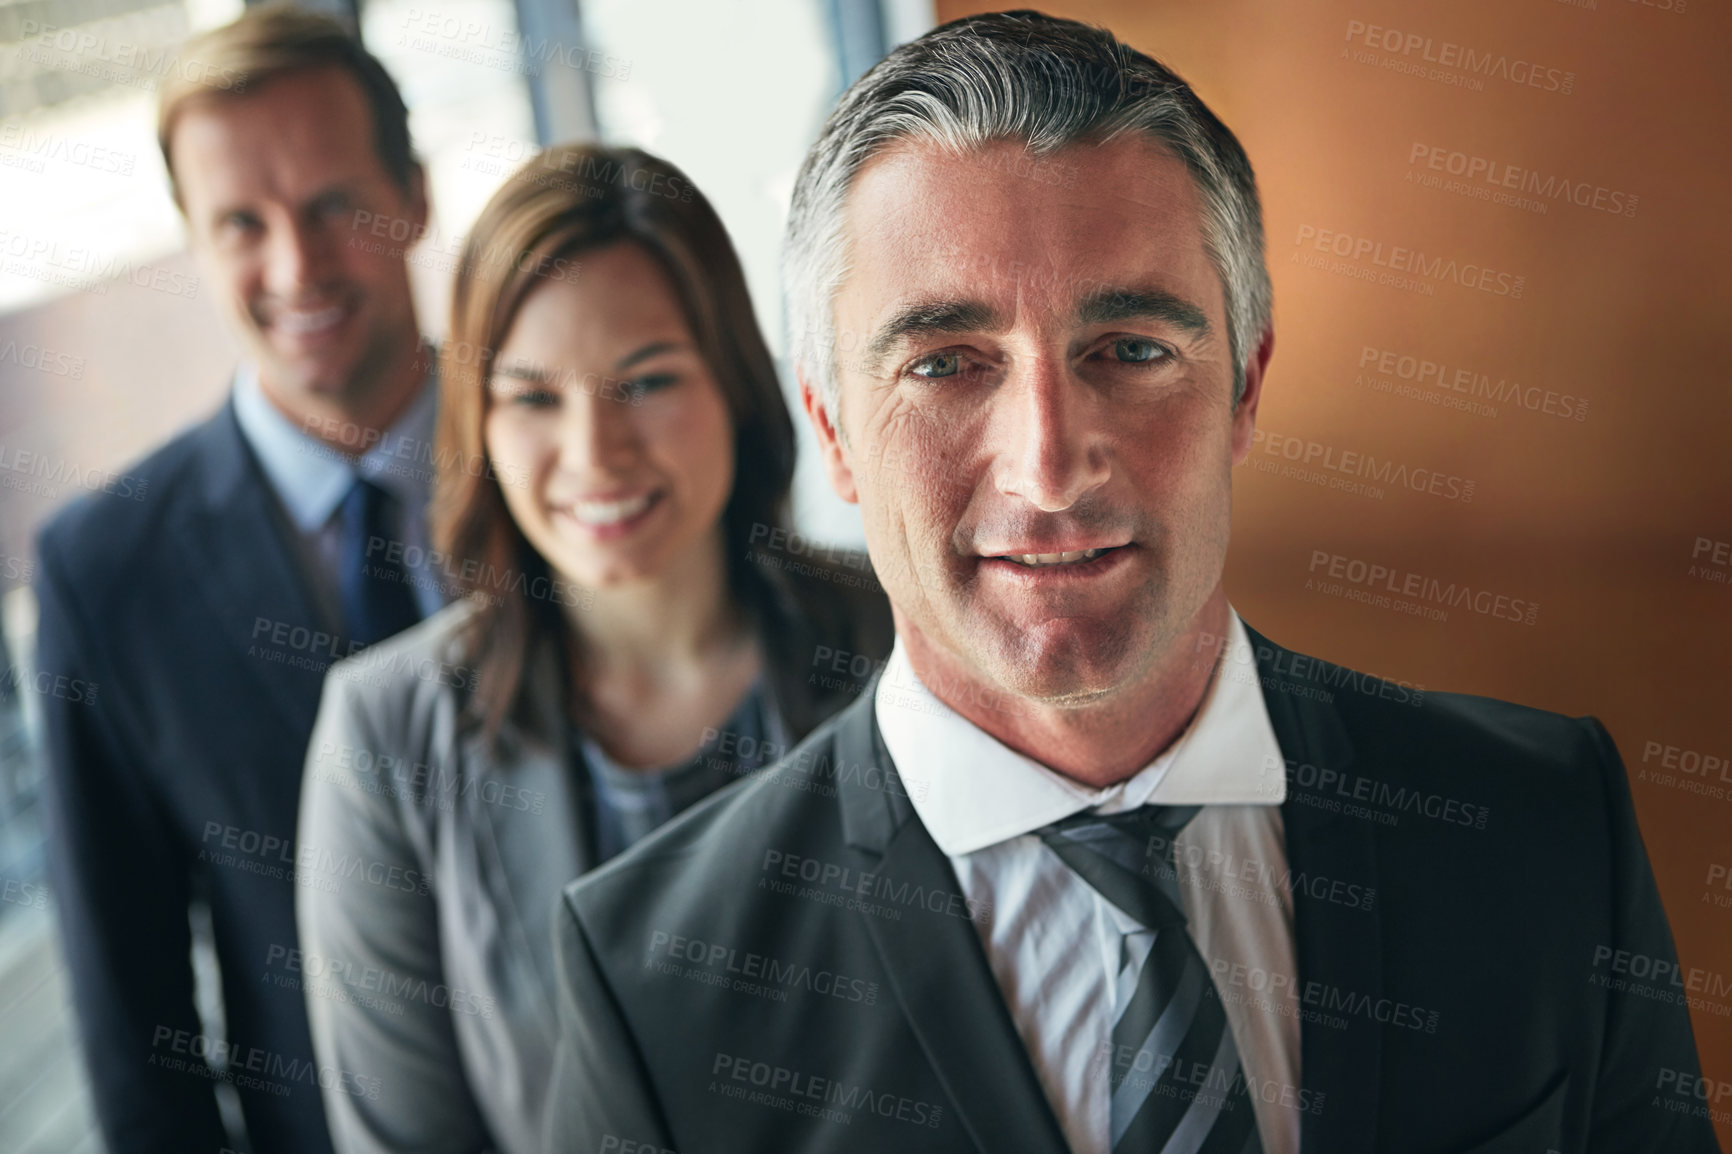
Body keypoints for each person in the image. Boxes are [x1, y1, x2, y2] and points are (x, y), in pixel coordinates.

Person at [542, 12, 1718, 1154]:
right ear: (834, 429)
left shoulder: (1546, 828)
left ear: (1246, 389)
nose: (1048, 466)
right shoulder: (653, 988)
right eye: (945, 363)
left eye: (1133, 350)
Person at [295, 143, 892, 1154]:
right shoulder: (385, 735)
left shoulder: (904, 644)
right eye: (532, 396)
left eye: (647, 379)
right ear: (478, 421)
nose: (594, 452)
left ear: (738, 386)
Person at [33, 8, 442, 1152]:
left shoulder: (578, 462)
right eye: (240, 224)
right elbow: (135, 1024)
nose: (295, 266)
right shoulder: (104, 573)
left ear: (412, 193)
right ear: (193, 243)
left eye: (329, 207)